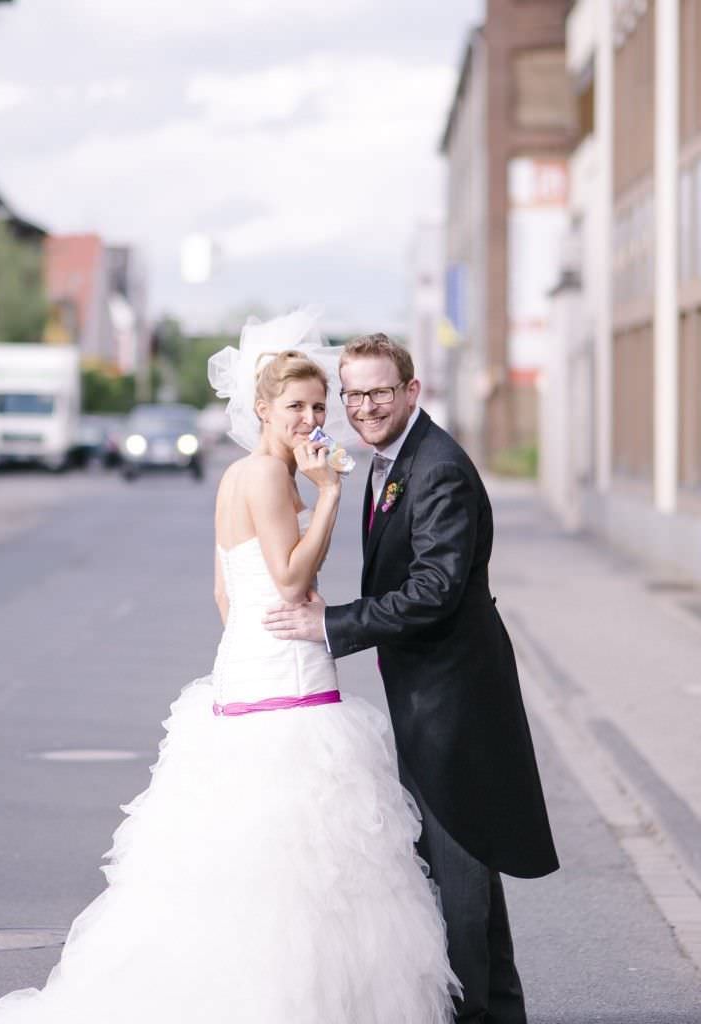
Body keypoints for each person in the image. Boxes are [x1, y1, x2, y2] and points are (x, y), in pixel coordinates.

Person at [0, 312, 457, 1024]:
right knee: (298, 865)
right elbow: (293, 583)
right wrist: (328, 495)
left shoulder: (244, 475)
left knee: (269, 865)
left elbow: (224, 594)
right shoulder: (271, 476)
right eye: (296, 406)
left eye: (319, 407)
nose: (312, 419)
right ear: (260, 408)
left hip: (251, 670)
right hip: (284, 687)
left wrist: (269, 613)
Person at [263, 333, 559, 1024]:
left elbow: (434, 588)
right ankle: (499, 1010)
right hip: (433, 690)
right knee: (466, 867)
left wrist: (334, 625)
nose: (364, 406)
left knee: (456, 871)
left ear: (411, 392)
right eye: (354, 394)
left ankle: (474, 1013)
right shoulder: (392, 459)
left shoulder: (437, 468)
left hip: (454, 698)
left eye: (379, 392)